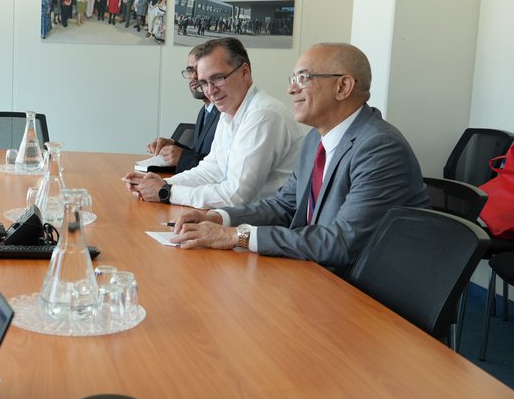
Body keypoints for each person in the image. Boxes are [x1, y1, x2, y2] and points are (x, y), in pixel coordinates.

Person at [171, 42, 428, 273]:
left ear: (343, 87)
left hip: (364, 295)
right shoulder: (316, 139)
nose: (291, 89)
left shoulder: (379, 148)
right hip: (313, 273)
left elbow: (340, 243)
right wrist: (217, 217)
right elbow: (283, 206)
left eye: (303, 78)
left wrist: (236, 236)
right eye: (292, 78)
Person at [125, 38, 303, 210]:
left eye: (218, 78)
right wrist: (160, 184)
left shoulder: (263, 115)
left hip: (265, 230)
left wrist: (167, 192)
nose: (210, 91)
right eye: (204, 83)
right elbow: (211, 171)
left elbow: (236, 196)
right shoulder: (230, 112)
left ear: (245, 72)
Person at [145, 47, 221, 173]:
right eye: (190, 71)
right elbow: (200, 154)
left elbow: (220, 166)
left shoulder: (225, 113)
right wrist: (172, 146)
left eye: (199, 70)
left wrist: (182, 157)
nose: (194, 77)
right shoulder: (205, 111)